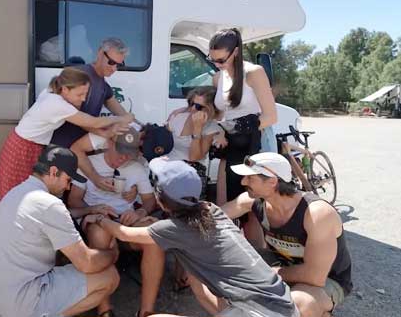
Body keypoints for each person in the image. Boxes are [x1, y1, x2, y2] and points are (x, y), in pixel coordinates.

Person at [85, 158, 299, 317]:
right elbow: (199, 289)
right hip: (283, 304)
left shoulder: (172, 230)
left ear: (160, 201)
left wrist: (99, 218)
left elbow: (123, 233)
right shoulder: (210, 210)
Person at [0, 146, 120, 317]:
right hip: (23, 302)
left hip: (0, 294)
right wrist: (112, 253)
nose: (68, 186)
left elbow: (53, 218)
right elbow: (86, 263)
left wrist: (89, 210)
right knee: (109, 276)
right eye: (68, 180)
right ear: (54, 171)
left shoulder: (19, 192)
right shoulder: (49, 204)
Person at [222, 152, 352, 317]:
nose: (243, 182)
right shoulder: (253, 201)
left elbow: (315, 276)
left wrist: (269, 274)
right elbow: (216, 215)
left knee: (299, 303)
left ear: (272, 181)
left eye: (250, 178)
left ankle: (320, 311)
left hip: (326, 279)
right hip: (283, 265)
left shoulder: (317, 213)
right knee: (228, 272)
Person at [67, 129, 164, 317]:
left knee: (154, 237)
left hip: (125, 220)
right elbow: (73, 201)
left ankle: (146, 311)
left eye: (129, 153)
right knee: (99, 234)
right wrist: (94, 210)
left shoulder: (135, 167)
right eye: (120, 151)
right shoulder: (89, 164)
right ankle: (104, 309)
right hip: (96, 217)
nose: (124, 157)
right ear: (109, 143)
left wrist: (139, 211)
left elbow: (149, 201)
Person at [0, 67, 133, 199]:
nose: (84, 99)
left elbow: (84, 123)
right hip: (22, 149)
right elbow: (93, 122)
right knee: (15, 195)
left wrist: (106, 133)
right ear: (65, 89)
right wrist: (121, 118)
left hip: (27, 145)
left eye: (86, 94)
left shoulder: (53, 91)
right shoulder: (58, 104)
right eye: (80, 94)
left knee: (27, 192)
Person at [205, 28, 278, 207]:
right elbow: (220, 114)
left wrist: (239, 127)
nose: (217, 64)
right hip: (230, 148)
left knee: (254, 203)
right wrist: (219, 130)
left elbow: (271, 116)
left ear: (236, 51)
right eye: (212, 59)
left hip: (254, 144)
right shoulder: (217, 78)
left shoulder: (254, 72)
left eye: (221, 60)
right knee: (231, 201)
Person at [51, 38, 132, 148]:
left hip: (79, 147)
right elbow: (77, 117)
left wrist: (136, 124)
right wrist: (107, 131)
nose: (114, 68)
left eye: (118, 65)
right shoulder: (80, 75)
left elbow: (119, 110)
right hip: (61, 145)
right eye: (111, 62)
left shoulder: (103, 85)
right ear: (100, 53)